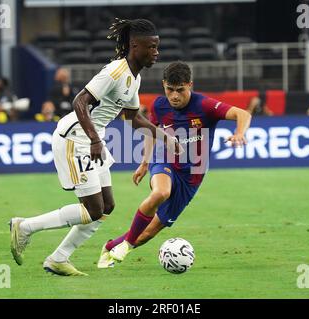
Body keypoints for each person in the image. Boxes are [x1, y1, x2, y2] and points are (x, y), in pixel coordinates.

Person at [9, 18, 180, 276]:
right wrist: (95, 140)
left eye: (157, 47)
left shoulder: (134, 78)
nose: (156, 53)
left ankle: (59, 258)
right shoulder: (115, 72)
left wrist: (164, 137)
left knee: (106, 207)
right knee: (93, 209)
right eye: (151, 47)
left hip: (91, 139)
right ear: (135, 46)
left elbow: (133, 117)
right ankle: (25, 227)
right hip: (75, 138)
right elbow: (80, 101)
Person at [102, 61, 251, 264]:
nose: (174, 96)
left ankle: (110, 247)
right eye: (169, 90)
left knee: (147, 233)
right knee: (161, 192)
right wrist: (145, 163)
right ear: (164, 85)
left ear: (190, 85)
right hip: (165, 160)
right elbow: (151, 131)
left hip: (192, 176)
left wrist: (239, 132)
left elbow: (243, 113)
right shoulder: (159, 105)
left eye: (180, 90)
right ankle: (126, 245)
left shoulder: (204, 105)